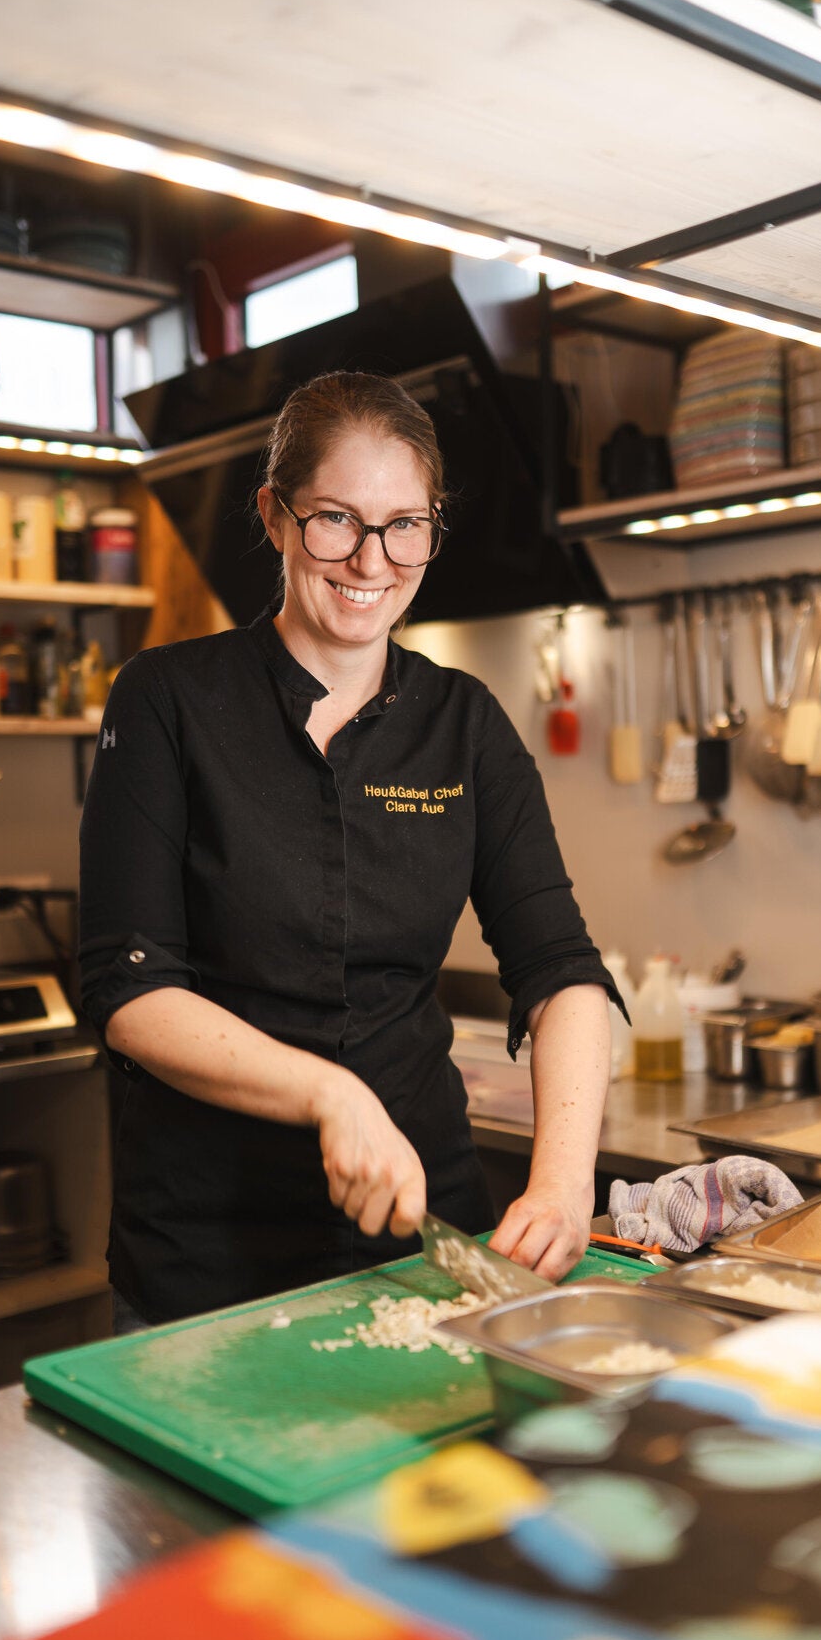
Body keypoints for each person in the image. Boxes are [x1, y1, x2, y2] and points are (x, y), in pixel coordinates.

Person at [79, 370, 622, 1331]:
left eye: (405, 524)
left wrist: (563, 1176)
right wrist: (329, 1092)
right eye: (337, 518)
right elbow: (130, 990)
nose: (372, 559)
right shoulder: (166, 699)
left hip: (421, 1247)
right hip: (208, 1258)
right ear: (276, 516)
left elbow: (562, 971)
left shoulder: (466, 725)